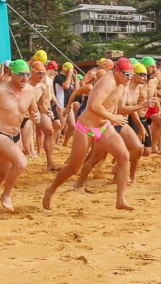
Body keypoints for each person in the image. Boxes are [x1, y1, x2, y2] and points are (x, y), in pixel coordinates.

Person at [43, 58, 134, 211]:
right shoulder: (109, 81)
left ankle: (120, 199)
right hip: (86, 127)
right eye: (126, 74)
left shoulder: (121, 83)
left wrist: (111, 119)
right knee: (73, 167)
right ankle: (51, 190)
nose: (128, 78)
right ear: (117, 71)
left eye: (131, 75)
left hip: (104, 126)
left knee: (124, 156)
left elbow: (111, 104)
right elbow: (93, 105)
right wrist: (113, 118)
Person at [0, 60, 40, 212]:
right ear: (12, 74)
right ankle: (6, 195)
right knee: (21, 163)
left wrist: (36, 116)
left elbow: (33, 110)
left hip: (15, 134)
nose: (24, 78)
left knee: (0, 174)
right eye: (21, 75)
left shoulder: (30, 91)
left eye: (27, 74)